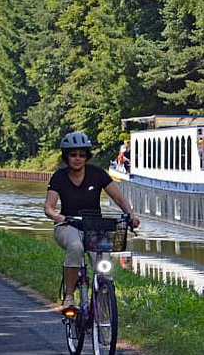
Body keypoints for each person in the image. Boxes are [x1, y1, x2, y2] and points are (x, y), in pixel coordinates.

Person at [44, 132, 139, 310]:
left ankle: (103, 300)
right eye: (73, 155)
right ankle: (70, 296)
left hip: (94, 226)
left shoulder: (97, 174)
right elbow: (48, 207)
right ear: (66, 157)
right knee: (76, 247)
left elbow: (119, 199)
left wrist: (131, 215)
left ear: (87, 156)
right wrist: (59, 217)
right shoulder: (59, 177)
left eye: (82, 155)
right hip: (68, 224)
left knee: (103, 262)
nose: (77, 159)